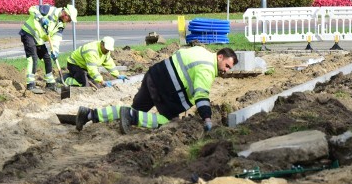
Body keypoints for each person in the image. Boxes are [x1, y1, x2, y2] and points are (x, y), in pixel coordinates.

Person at [76, 46, 238, 134]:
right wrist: (207, 119)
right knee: (168, 121)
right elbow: (201, 95)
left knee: (133, 111)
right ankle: (130, 117)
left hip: (152, 75)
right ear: (220, 57)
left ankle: (90, 114)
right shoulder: (208, 68)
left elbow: (178, 54)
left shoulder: (200, 50)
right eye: (227, 66)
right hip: (166, 88)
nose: (226, 71)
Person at [19, 4, 77, 94]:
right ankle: (30, 85)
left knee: (47, 58)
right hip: (28, 34)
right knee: (33, 58)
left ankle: (50, 84)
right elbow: (32, 9)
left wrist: (55, 51)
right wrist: (40, 18)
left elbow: (56, 39)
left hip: (39, 39)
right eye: (70, 19)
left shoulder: (61, 25)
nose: (69, 21)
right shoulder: (49, 10)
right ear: (66, 14)